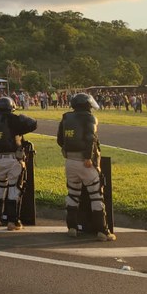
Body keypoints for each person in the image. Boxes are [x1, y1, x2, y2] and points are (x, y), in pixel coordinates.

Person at [56, 92, 116, 242]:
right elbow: (90, 138)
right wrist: (89, 157)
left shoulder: (66, 117)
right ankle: (102, 230)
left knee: (72, 194)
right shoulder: (90, 118)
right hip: (85, 162)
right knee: (96, 195)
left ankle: (72, 227)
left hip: (70, 160)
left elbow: (60, 139)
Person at [0, 96, 38, 230]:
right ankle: (13, 221)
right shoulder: (13, 119)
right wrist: (20, 115)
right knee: (14, 188)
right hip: (13, 158)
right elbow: (33, 124)